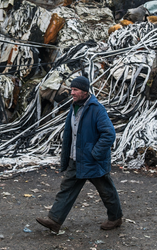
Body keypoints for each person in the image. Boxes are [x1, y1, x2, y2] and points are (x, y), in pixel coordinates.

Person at [36, 75, 123, 233]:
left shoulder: (96, 109)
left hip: (93, 160)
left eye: (75, 90)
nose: (72, 93)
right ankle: (54, 221)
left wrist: (95, 153)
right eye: (71, 89)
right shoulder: (74, 106)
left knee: (106, 190)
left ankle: (115, 218)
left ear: (84, 91)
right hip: (76, 159)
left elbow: (109, 134)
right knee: (67, 189)